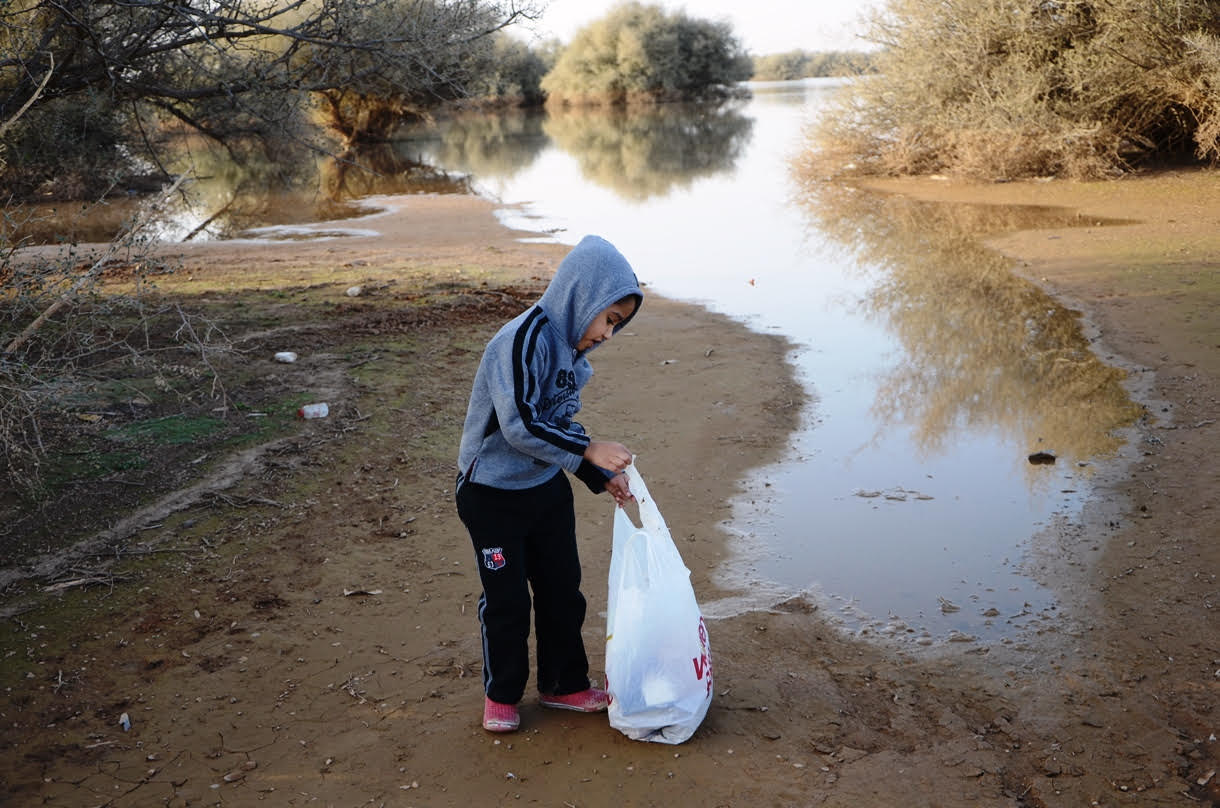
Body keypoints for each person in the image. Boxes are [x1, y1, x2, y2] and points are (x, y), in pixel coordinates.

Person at [455, 235, 643, 733]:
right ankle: (502, 695)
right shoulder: (519, 340)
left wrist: (599, 474)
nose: (607, 334)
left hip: (543, 489)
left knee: (563, 589)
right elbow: (520, 424)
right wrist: (588, 448)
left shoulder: (574, 356)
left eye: (617, 327)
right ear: (582, 296)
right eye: (608, 319)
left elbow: (558, 425)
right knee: (508, 599)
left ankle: (563, 684)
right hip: (491, 494)